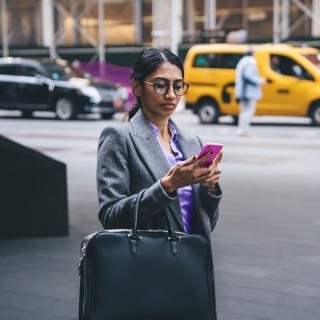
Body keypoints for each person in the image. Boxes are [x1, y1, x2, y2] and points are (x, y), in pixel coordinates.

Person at [96, 47, 223, 317]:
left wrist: (211, 188)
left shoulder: (192, 142)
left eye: (178, 86)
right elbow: (111, 217)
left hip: (192, 266)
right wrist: (167, 186)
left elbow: (206, 224)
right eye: (160, 85)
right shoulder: (119, 137)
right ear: (136, 87)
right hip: (145, 268)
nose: (171, 95)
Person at [235, 48, 265, 137]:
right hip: (248, 92)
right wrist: (259, 80)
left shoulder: (242, 61)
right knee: (248, 112)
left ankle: (242, 130)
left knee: (243, 112)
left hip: (242, 91)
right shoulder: (250, 62)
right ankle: (244, 131)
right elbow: (248, 75)